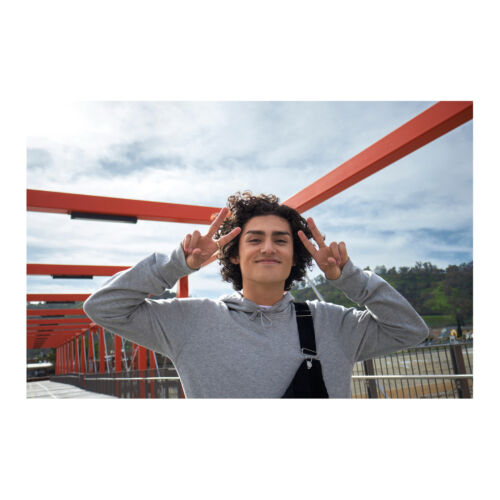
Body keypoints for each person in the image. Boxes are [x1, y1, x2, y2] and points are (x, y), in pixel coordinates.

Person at [84, 191, 429, 398]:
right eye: (254, 239)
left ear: (295, 255)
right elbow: (103, 307)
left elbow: (410, 330)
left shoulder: (333, 323)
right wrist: (176, 264)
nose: (268, 248)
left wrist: (350, 278)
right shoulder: (189, 320)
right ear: (234, 254)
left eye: (281, 240)